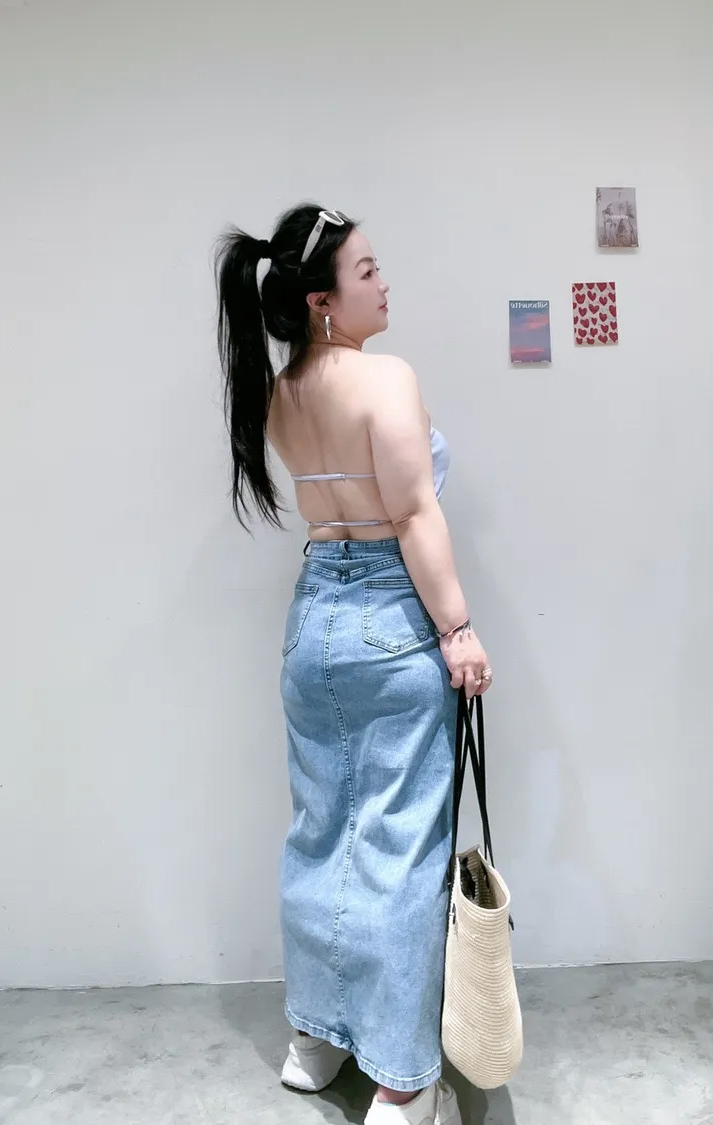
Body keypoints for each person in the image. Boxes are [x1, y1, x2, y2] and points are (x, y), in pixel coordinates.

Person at [214, 204, 492, 1125]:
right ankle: (403, 1080)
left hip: (314, 622)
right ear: (323, 300)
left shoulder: (280, 393)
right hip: (388, 616)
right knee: (399, 847)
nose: (384, 281)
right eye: (367, 270)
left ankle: (316, 1039)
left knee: (322, 833)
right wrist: (458, 630)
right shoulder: (386, 378)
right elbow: (411, 514)